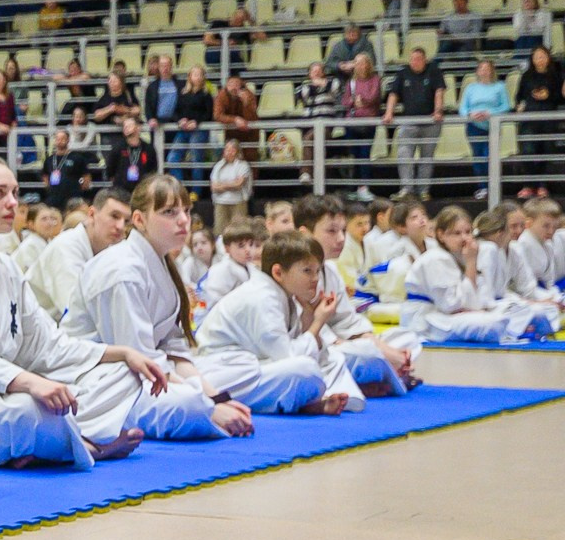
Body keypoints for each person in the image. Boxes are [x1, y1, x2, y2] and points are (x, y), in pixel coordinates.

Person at [0, 155, 165, 468]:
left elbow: (47, 343)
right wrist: (30, 382)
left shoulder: (7, 267)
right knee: (27, 409)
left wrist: (121, 353)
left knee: (122, 375)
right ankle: (85, 444)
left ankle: (51, 443)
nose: (12, 202)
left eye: (14, 192)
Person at [63, 176, 248, 438]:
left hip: (148, 373)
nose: (184, 220)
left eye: (186, 211)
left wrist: (214, 396)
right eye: (170, 212)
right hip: (103, 382)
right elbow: (138, 358)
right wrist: (208, 406)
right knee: (190, 405)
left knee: (239, 367)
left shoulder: (160, 263)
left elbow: (172, 346)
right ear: (139, 220)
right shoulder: (121, 269)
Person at [195, 230, 364, 415]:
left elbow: (302, 350)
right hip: (225, 372)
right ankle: (308, 401)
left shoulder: (285, 296)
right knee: (303, 370)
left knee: (332, 359)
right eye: (307, 271)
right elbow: (287, 357)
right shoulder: (262, 297)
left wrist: (309, 315)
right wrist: (318, 322)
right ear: (278, 272)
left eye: (317, 271)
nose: (315, 279)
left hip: (255, 366)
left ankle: (313, 399)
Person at [295, 194, 418, 395]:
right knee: (364, 355)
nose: (341, 238)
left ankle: (377, 375)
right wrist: (381, 352)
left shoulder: (330, 271)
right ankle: (381, 375)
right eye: (331, 231)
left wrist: (383, 348)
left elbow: (349, 322)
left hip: (342, 344)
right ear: (305, 233)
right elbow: (314, 336)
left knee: (407, 339)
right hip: (313, 349)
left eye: (343, 231)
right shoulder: (296, 273)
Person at [398, 206, 556, 344]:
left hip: (458, 313)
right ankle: (518, 331)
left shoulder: (464, 255)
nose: (464, 238)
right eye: (457, 233)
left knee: (539, 311)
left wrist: (471, 263)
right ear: (441, 235)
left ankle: (521, 330)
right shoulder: (434, 259)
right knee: (491, 324)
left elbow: (482, 299)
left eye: (467, 232)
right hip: (429, 319)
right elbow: (450, 305)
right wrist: (471, 264)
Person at [28, 184, 129, 322]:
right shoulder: (65, 247)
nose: (121, 226)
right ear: (92, 214)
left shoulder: (116, 249)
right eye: (114, 216)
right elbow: (74, 312)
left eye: (126, 221)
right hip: (43, 331)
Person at [384, 47, 445, 197]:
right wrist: (389, 112)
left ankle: (423, 190)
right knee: (404, 155)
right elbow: (393, 94)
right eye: (413, 59)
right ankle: (407, 189)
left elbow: (439, 91)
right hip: (408, 122)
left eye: (419, 59)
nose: (415, 62)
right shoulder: (402, 73)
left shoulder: (434, 71)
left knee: (427, 157)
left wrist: (438, 110)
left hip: (430, 123)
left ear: (425, 60)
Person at [458, 57, 511, 183]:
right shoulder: (471, 88)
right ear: (477, 71)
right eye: (482, 69)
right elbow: (462, 108)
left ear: (492, 71)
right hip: (474, 126)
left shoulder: (500, 86)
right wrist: (471, 114)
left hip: (492, 126)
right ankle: (482, 187)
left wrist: (490, 113)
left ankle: (492, 185)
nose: (484, 71)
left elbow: (506, 106)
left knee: (489, 156)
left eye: (487, 69)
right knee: (477, 156)